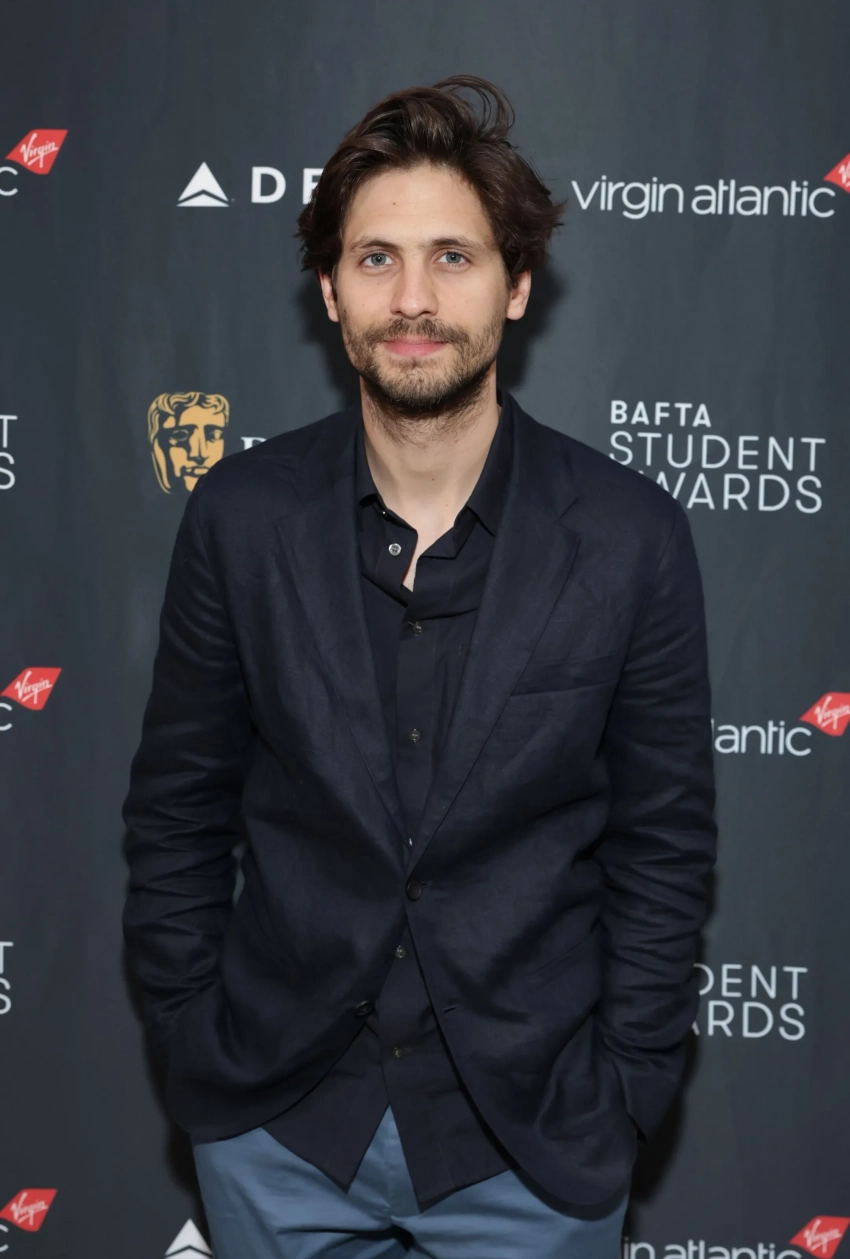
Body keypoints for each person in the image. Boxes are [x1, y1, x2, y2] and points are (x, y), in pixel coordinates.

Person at [122, 75, 716, 1258]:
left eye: (452, 257)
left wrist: (625, 1089)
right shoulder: (239, 520)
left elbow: (663, 845)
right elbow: (177, 809)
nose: (412, 299)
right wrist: (194, 1039)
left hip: (535, 1145)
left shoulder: (629, 537)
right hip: (277, 1130)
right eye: (376, 259)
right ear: (330, 292)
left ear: (516, 284)